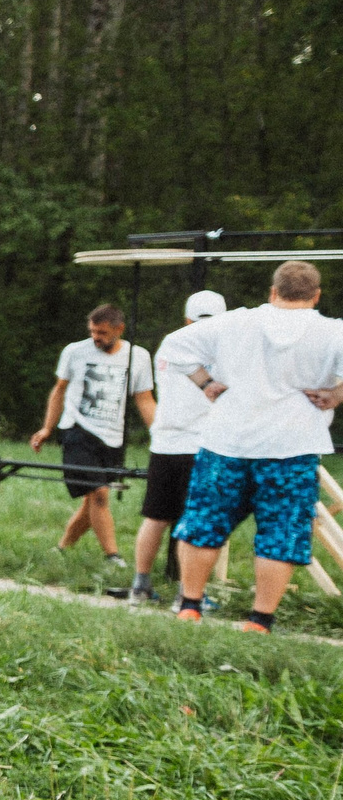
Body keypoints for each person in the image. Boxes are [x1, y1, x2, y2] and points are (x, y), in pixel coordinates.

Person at [171, 260, 343, 632]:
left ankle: (190, 606)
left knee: (204, 522)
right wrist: (335, 394)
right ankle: (260, 620)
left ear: (272, 291)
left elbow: (176, 345)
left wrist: (206, 383)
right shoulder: (332, 331)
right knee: (280, 531)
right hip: (292, 446)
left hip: (226, 441)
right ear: (316, 295)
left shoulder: (235, 321)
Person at [27, 303, 155, 569]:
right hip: (77, 431)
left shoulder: (138, 357)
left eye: (103, 332)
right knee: (99, 494)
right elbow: (60, 389)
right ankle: (113, 557)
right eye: (93, 331)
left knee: (92, 502)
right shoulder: (75, 352)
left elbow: (144, 399)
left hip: (113, 437)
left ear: (119, 329)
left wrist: (160, 434)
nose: (96, 337)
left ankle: (62, 548)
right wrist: (47, 428)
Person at [129, 290, 226, 602]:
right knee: (197, 519)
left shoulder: (170, 343)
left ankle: (140, 586)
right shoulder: (224, 347)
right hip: (204, 443)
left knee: (155, 516)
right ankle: (188, 593)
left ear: (187, 318)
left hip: (165, 442)